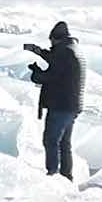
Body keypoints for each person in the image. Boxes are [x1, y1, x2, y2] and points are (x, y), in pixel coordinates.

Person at [22, 22, 84, 179]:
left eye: (51, 41)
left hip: (60, 105)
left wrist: (36, 72)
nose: (50, 44)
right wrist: (37, 51)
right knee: (64, 143)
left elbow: (49, 76)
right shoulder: (72, 49)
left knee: (50, 140)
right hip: (72, 105)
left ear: (56, 39)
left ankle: (53, 175)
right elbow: (55, 60)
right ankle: (66, 177)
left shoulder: (64, 53)